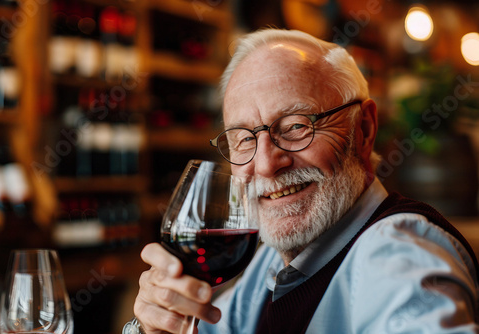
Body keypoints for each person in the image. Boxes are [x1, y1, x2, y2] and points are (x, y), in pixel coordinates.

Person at [133, 28, 479, 333]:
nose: (267, 164)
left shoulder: (396, 252)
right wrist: (153, 329)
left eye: (297, 126)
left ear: (364, 130)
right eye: (243, 138)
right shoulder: (270, 265)